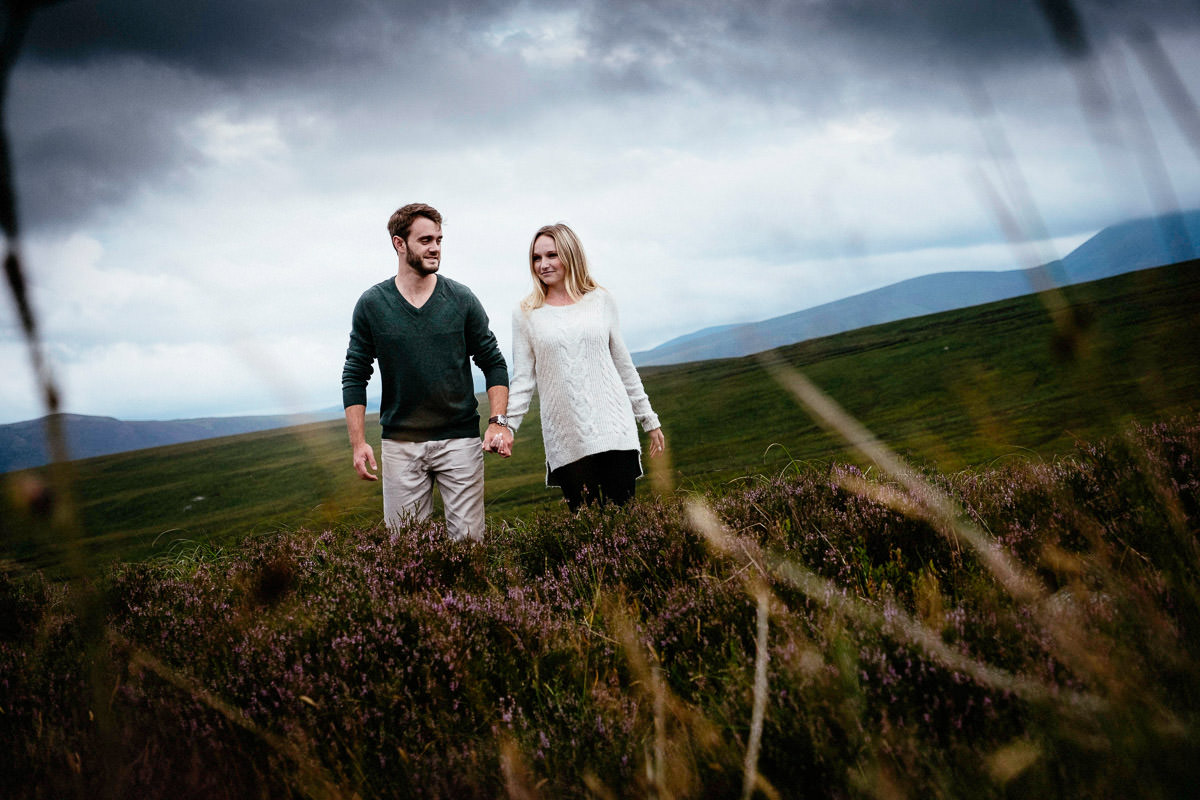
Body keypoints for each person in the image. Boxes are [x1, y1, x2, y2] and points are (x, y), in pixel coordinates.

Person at [341, 203, 514, 542]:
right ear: (399, 244)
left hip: (460, 441)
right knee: (408, 550)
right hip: (400, 444)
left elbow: (493, 362)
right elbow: (354, 374)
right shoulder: (372, 304)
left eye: (439, 239)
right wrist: (358, 442)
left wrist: (498, 421)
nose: (435, 247)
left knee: (468, 544)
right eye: (425, 240)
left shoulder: (461, 299)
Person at [506, 222, 665, 511]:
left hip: (615, 429)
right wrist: (508, 427)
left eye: (551, 255)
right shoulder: (526, 313)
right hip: (567, 437)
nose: (543, 264)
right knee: (587, 527)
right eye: (536, 258)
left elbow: (623, 364)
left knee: (625, 521)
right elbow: (523, 380)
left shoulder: (601, 300)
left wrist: (649, 419)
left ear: (570, 254)